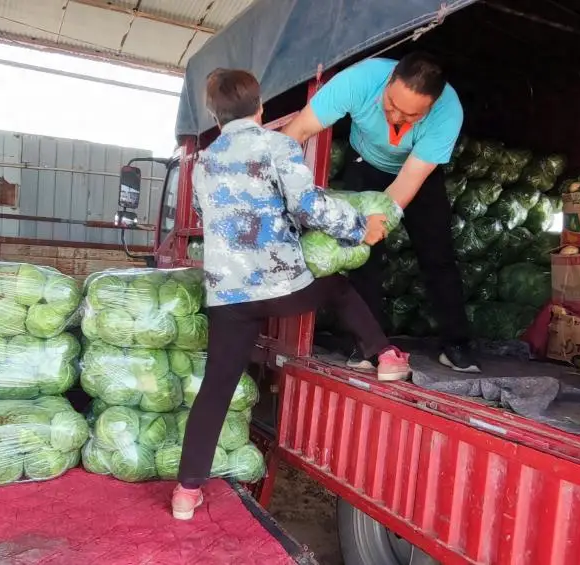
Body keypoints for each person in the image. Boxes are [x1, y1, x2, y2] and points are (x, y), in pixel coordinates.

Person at [173, 69, 411, 520]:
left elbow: (208, 213)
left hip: (229, 297)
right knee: (338, 287)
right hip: (282, 285)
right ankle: (385, 356)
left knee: (217, 388)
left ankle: (186, 493)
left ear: (214, 114)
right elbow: (308, 206)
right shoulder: (278, 145)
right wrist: (362, 227)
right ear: (260, 108)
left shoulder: (203, 161)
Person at [284, 52, 480, 373]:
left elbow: (409, 180)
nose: (397, 118)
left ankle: (456, 343)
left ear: (431, 107)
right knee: (365, 256)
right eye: (391, 105)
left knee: (438, 254)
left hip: (414, 173)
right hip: (365, 164)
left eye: (412, 115)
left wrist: (375, 220)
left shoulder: (448, 113)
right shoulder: (358, 81)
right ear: (388, 82)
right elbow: (299, 130)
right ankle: (367, 346)